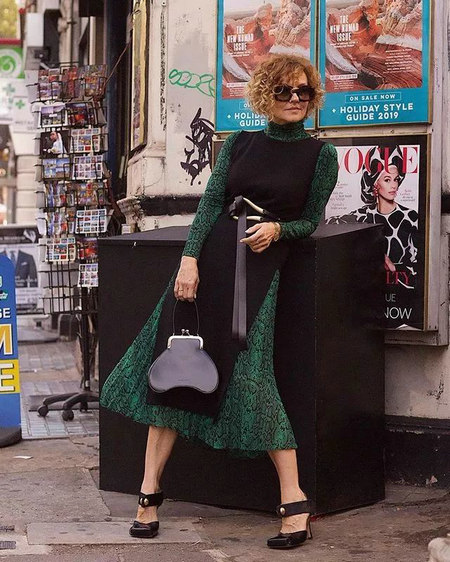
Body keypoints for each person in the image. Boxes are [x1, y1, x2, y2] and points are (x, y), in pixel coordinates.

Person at [100, 54, 338, 550]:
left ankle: (294, 501)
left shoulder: (321, 156)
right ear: (266, 95)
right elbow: (210, 202)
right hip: (208, 265)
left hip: (258, 274)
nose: (295, 99)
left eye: (303, 92)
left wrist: (279, 229)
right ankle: (149, 494)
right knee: (175, 372)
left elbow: (310, 220)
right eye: (284, 91)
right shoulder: (238, 143)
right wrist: (189, 260)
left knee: (253, 382)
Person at [326, 145, 418, 280]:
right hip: (363, 287)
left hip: (400, 289)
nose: (394, 185)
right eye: (387, 180)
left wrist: (394, 268)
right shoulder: (361, 216)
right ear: (374, 183)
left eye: (396, 179)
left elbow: (420, 267)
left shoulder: (411, 218)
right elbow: (327, 228)